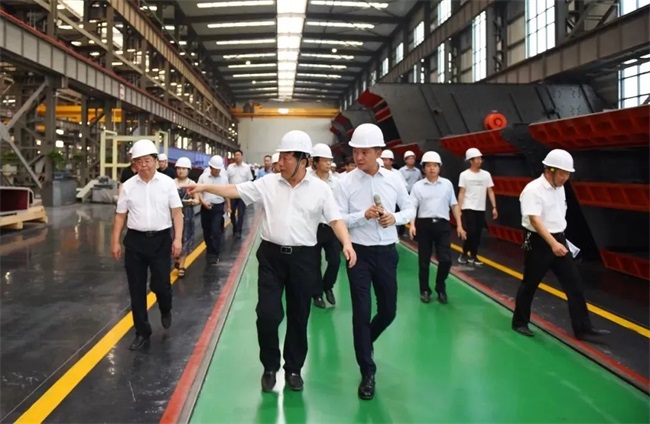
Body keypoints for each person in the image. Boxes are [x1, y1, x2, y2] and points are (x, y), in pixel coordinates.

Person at [188, 130, 357, 392]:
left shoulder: (321, 190)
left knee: (299, 317)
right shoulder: (268, 183)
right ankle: (270, 366)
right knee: (267, 315)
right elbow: (235, 189)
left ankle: (293, 369)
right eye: (281, 157)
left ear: (303, 161)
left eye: (287, 158)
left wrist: (346, 243)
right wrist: (204, 187)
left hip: (303, 259)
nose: (281, 162)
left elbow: (335, 219)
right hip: (271, 257)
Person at [334, 123, 415, 400]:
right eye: (356, 151)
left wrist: (395, 218)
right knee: (361, 312)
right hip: (358, 254)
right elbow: (337, 219)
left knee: (388, 310)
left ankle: (365, 342)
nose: (358, 157)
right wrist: (363, 215)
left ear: (379, 152)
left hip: (387, 252)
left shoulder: (394, 179)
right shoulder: (345, 183)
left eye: (365, 152)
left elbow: (409, 208)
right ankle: (367, 372)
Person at [512, 149, 609, 341]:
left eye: (567, 174)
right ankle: (520, 322)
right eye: (562, 174)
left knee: (575, 284)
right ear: (549, 170)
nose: (565, 178)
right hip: (537, 240)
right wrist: (553, 244)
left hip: (558, 238)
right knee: (530, 283)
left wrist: (560, 241)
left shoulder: (560, 187)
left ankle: (583, 328)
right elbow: (535, 220)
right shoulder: (533, 190)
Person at [111, 139, 183, 350]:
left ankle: (165, 306)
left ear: (155, 161)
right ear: (134, 164)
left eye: (147, 160)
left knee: (160, 285)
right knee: (136, 289)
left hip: (161, 240)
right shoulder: (128, 186)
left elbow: (177, 213)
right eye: (139, 161)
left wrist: (178, 239)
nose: (144, 165)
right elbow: (120, 215)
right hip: (135, 242)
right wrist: (115, 242)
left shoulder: (167, 183)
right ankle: (142, 332)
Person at [408, 151, 466, 304]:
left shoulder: (447, 184)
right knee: (424, 261)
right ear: (424, 168)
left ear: (439, 167)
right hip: (424, 225)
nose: (432, 168)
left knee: (445, 260)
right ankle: (425, 290)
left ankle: (440, 286)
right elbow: (413, 206)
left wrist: (459, 225)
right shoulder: (418, 186)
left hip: (442, 225)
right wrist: (412, 224)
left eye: (435, 165)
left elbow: (454, 205)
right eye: (428, 166)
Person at [310, 143, 341, 308]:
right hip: (312, 227)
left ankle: (327, 286)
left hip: (330, 226)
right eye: (324, 160)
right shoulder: (308, 180)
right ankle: (316, 295)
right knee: (314, 263)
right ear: (315, 162)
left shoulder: (336, 182)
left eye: (330, 160)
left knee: (335, 260)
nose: (329, 163)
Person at [458, 147, 497, 266]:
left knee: (478, 233)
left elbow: (490, 191)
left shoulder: (486, 175)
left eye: (480, 158)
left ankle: (473, 255)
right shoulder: (464, 175)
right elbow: (462, 192)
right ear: (470, 161)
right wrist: (459, 208)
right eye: (477, 159)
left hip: (480, 208)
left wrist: (494, 207)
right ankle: (465, 253)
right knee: (471, 231)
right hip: (468, 207)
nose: (479, 161)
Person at [197, 155, 230, 265]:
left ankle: (215, 254)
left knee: (215, 230)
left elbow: (227, 193)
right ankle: (209, 250)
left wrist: (228, 206)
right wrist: (203, 202)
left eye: (219, 169)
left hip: (218, 207)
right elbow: (198, 191)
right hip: (205, 206)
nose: (217, 171)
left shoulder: (224, 178)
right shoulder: (203, 177)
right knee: (206, 231)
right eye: (215, 169)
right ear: (210, 167)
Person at [173, 157, 199, 277]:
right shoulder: (171, 183)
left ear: (188, 170)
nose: (181, 171)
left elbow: (197, 200)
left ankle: (182, 265)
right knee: (173, 237)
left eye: (184, 168)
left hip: (187, 215)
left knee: (186, 238)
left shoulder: (192, 184)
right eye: (179, 168)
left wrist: (192, 202)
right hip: (173, 215)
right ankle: (177, 258)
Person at [226, 149, 253, 238]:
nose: (236, 157)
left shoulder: (246, 168)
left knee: (241, 214)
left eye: (238, 155)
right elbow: (226, 180)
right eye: (235, 155)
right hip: (232, 193)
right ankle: (235, 226)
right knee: (232, 212)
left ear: (242, 156)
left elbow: (249, 181)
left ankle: (238, 230)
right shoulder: (230, 167)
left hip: (242, 194)